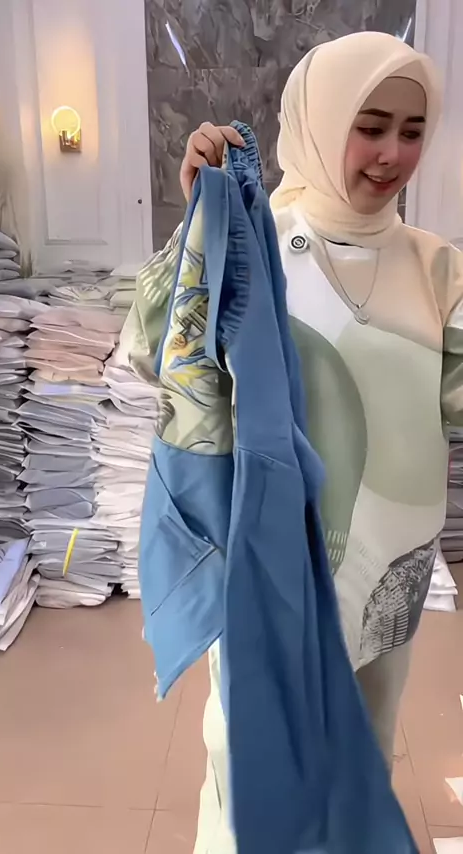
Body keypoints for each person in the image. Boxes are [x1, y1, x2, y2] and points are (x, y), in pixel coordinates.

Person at [173, 30, 462, 853]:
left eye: (412, 131)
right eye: (370, 126)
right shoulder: (255, 242)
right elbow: (168, 359)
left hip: (391, 571)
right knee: (250, 764)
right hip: (274, 564)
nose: (392, 153)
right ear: (320, 119)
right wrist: (199, 233)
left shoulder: (439, 269)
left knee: (364, 752)